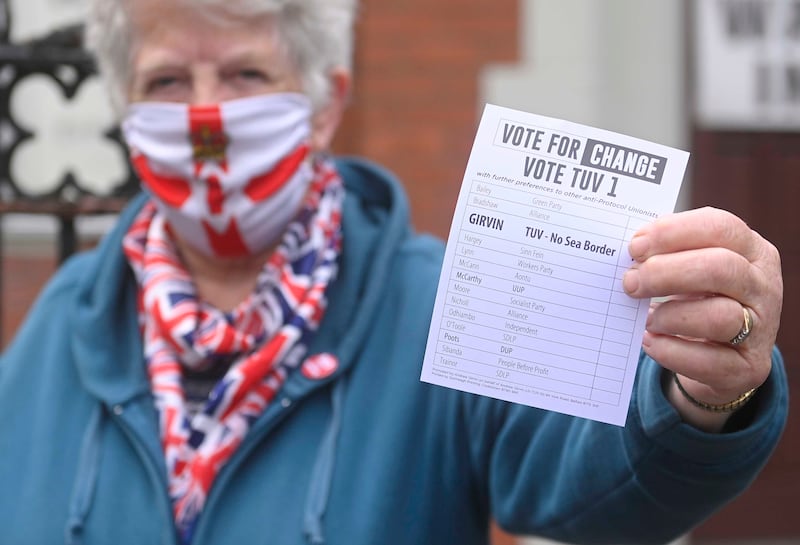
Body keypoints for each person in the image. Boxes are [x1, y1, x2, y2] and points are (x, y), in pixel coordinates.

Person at [0, 0, 788, 544]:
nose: (207, 118)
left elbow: (602, 486)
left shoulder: (435, 302)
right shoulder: (62, 327)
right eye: (167, 81)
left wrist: (704, 396)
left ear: (324, 103)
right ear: (126, 111)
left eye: (245, 75)